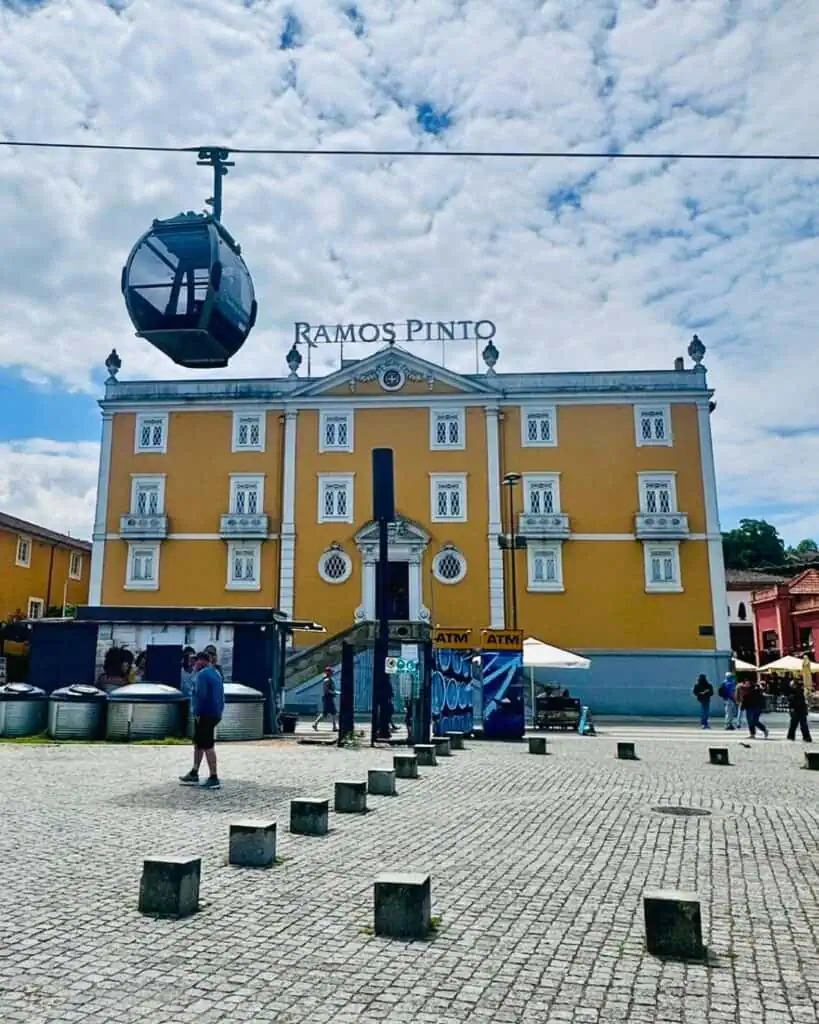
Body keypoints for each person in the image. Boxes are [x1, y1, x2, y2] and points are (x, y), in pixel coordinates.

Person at [179, 651, 225, 790]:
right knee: (198, 743)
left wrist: (198, 712)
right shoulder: (215, 672)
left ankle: (213, 777)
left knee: (207, 745)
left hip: (205, 714)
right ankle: (194, 771)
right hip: (214, 712)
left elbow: (201, 695)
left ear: (202, 661)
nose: (193, 664)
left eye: (195, 661)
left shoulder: (203, 675)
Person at [786, 677, 813, 743]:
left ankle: (792, 736)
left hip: (797, 710)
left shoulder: (795, 692)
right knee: (802, 724)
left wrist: (792, 708)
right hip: (802, 710)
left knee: (795, 724)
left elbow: (794, 701)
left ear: (795, 685)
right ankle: (806, 737)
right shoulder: (800, 690)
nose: (791, 686)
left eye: (792, 684)